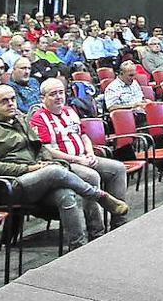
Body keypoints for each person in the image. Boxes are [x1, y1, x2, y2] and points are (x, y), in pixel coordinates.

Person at [0, 85, 126, 250]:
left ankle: (82, 246)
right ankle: (99, 196)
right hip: (10, 186)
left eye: (13, 99)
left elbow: (40, 148)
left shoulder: (21, 120)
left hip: (39, 178)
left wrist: (45, 162)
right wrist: (30, 169)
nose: (11, 104)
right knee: (55, 171)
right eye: (4, 101)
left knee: (66, 195)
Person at [29, 79, 128, 218]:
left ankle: (119, 220)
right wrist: (78, 160)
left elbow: (83, 135)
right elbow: (46, 150)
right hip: (63, 163)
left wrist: (90, 153)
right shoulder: (39, 118)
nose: (58, 97)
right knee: (91, 176)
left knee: (118, 168)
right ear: (42, 98)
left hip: (83, 157)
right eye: (53, 94)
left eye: (61, 92)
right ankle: (96, 229)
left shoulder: (70, 111)